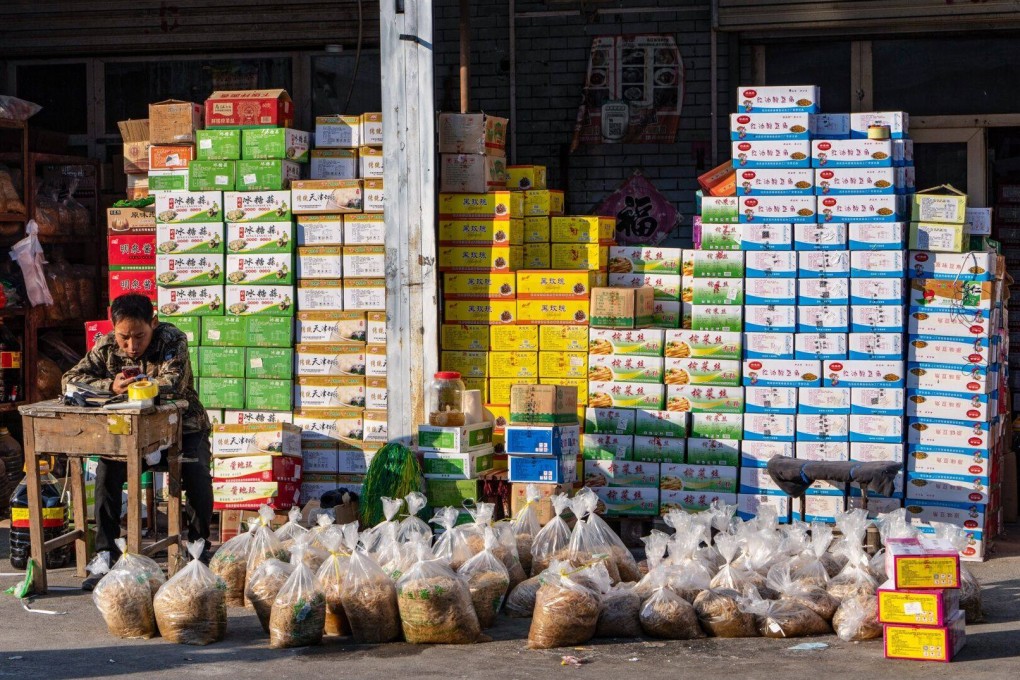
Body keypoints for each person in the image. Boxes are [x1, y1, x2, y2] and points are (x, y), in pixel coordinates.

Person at [62, 294, 212, 590]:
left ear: (153, 323)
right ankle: (106, 553)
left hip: (182, 428)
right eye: (124, 337)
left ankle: (198, 547)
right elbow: (71, 378)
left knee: (195, 473)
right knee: (107, 470)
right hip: (131, 433)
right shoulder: (105, 346)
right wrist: (109, 385)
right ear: (113, 328)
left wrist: (135, 387)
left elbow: (173, 382)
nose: (131, 346)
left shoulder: (172, 340)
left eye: (139, 337)